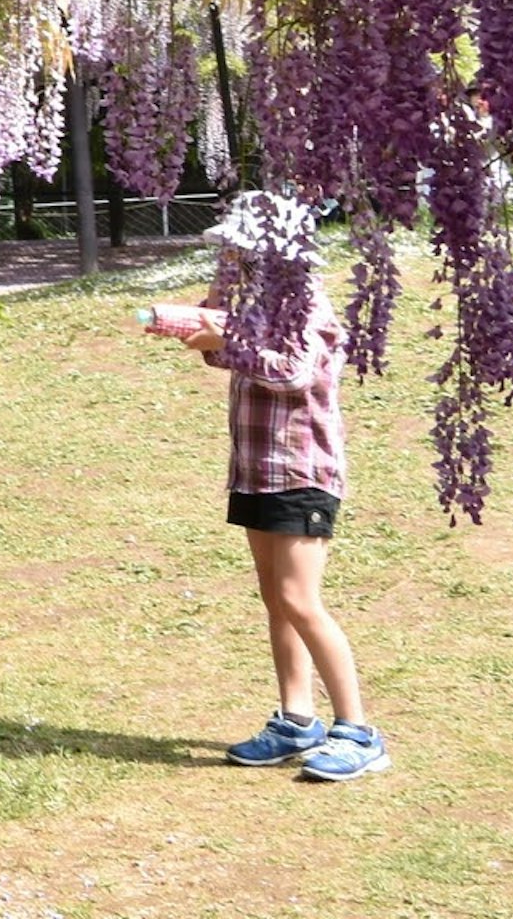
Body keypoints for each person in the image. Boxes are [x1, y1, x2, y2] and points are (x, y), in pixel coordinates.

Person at [144, 201, 383, 782]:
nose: (230, 260)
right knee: (277, 600)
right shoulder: (251, 303)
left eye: (239, 253)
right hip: (257, 470)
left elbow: (291, 372)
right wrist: (203, 324)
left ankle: (359, 732)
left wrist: (223, 345)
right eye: (228, 252)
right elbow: (218, 348)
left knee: (301, 600)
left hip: (302, 472)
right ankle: (297, 721)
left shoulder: (308, 305)